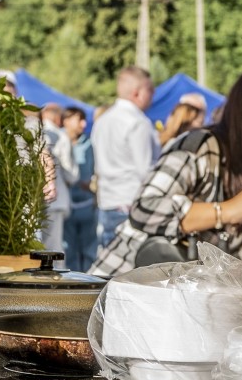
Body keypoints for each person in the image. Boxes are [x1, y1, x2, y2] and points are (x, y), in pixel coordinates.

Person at [89, 65, 242, 276]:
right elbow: (145, 208)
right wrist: (225, 211)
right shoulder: (201, 145)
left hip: (175, 299)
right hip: (123, 287)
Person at [90, 66, 157, 249]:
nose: (153, 95)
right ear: (137, 93)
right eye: (150, 89)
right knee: (133, 272)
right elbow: (146, 170)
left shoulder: (103, 121)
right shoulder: (138, 122)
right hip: (132, 202)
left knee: (110, 267)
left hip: (107, 202)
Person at [39, 103, 78, 259]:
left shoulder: (32, 132)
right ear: (57, 117)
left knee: (37, 247)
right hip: (55, 199)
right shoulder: (60, 136)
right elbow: (72, 175)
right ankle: (56, 281)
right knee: (54, 248)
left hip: (35, 199)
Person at [62, 106, 98, 272]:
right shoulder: (58, 140)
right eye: (79, 119)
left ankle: (89, 281)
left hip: (86, 204)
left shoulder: (89, 144)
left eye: (84, 119)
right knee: (68, 249)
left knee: (89, 248)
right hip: (65, 204)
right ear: (67, 121)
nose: (83, 124)